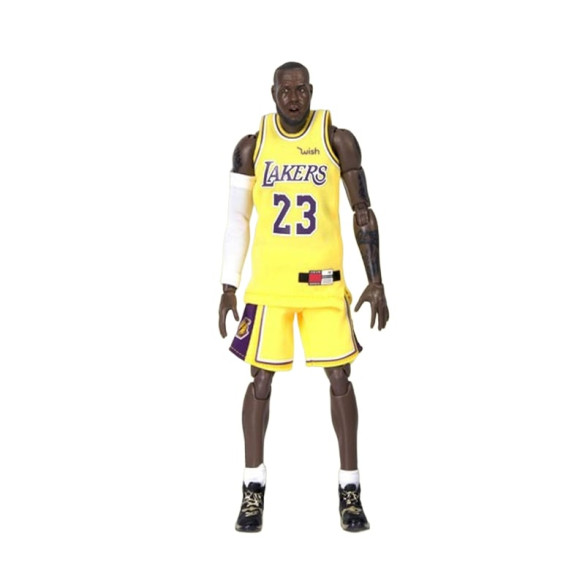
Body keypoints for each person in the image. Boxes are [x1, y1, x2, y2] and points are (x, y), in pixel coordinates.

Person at [219, 62, 388, 532]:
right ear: (273, 93)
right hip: (270, 286)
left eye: (300, 90)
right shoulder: (252, 146)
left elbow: (362, 211)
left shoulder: (336, 139)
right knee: (260, 380)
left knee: (340, 377)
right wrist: (228, 284)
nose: (293, 98)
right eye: (285, 90)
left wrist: (376, 279)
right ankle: (253, 487)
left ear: (311, 91)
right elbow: (238, 219)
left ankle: (350, 488)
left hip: (322, 281)